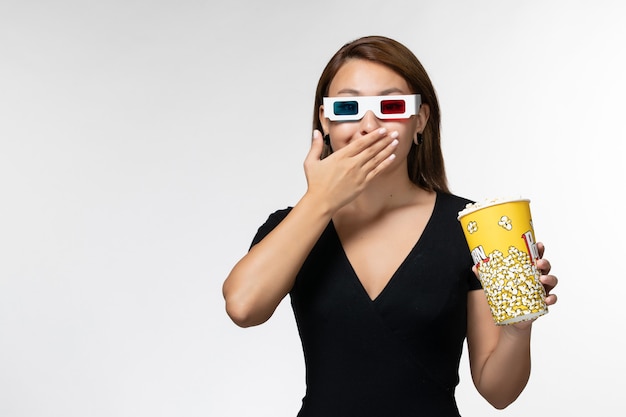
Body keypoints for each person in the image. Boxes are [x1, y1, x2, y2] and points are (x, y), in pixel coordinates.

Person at [222, 35, 558, 417]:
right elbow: (243, 307)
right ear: (325, 121)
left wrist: (518, 326)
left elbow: (498, 392)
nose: (369, 124)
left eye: (391, 105)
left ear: (421, 120)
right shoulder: (294, 225)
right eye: (348, 106)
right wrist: (320, 199)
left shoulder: (468, 226)